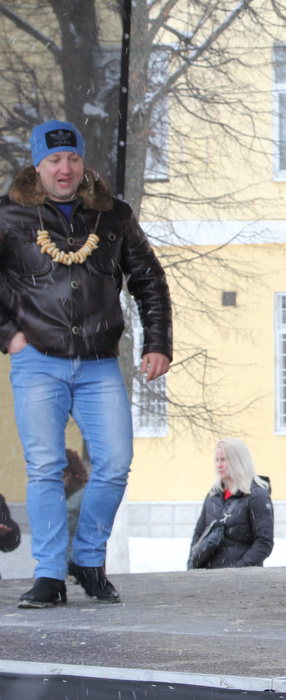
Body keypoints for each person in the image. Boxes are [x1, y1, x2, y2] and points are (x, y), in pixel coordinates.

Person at [0, 120, 172, 608]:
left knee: (115, 463)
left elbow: (149, 279)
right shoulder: (10, 215)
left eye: (73, 159)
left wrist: (157, 342)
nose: (65, 169)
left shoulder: (113, 215)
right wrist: (9, 336)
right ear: (38, 165)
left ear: (82, 163)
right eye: (54, 160)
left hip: (99, 363)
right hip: (37, 361)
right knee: (45, 469)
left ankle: (88, 559)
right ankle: (49, 575)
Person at [189, 438, 274, 569]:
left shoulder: (257, 496)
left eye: (224, 459)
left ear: (238, 460)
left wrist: (235, 572)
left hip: (242, 579)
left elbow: (264, 543)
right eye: (217, 460)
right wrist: (192, 566)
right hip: (208, 576)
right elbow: (199, 535)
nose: (219, 465)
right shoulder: (213, 495)